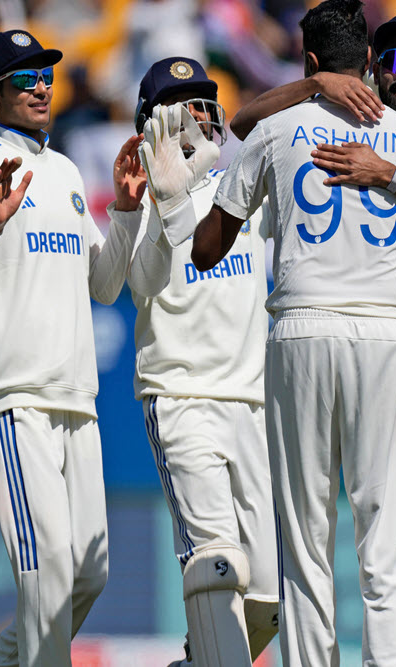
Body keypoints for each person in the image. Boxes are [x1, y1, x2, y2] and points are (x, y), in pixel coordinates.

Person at [232, 11, 396, 665]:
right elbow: (240, 125)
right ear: (372, 60)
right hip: (378, 354)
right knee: (358, 540)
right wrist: (312, 88)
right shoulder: (337, 122)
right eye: (395, 58)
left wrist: (390, 175)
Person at [188, 0, 396, 665]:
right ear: (374, 64)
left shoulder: (278, 127)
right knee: (386, 540)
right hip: (386, 331)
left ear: (313, 62)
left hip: (301, 328)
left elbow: (210, 248)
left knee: (305, 535)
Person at [0, 29, 138, 667]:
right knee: (45, 575)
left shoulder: (67, 170)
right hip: (16, 392)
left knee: (87, 573)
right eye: (24, 78)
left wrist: (124, 214)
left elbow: (104, 284)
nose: (41, 86)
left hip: (78, 395)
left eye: (45, 75)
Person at [116, 56, 279, 665]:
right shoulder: (139, 197)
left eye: (206, 103)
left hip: (252, 402)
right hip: (182, 397)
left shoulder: (242, 189)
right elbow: (144, 283)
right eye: (186, 105)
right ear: (156, 122)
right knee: (217, 569)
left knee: (267, 598)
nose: (201, 116)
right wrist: (166, 203)